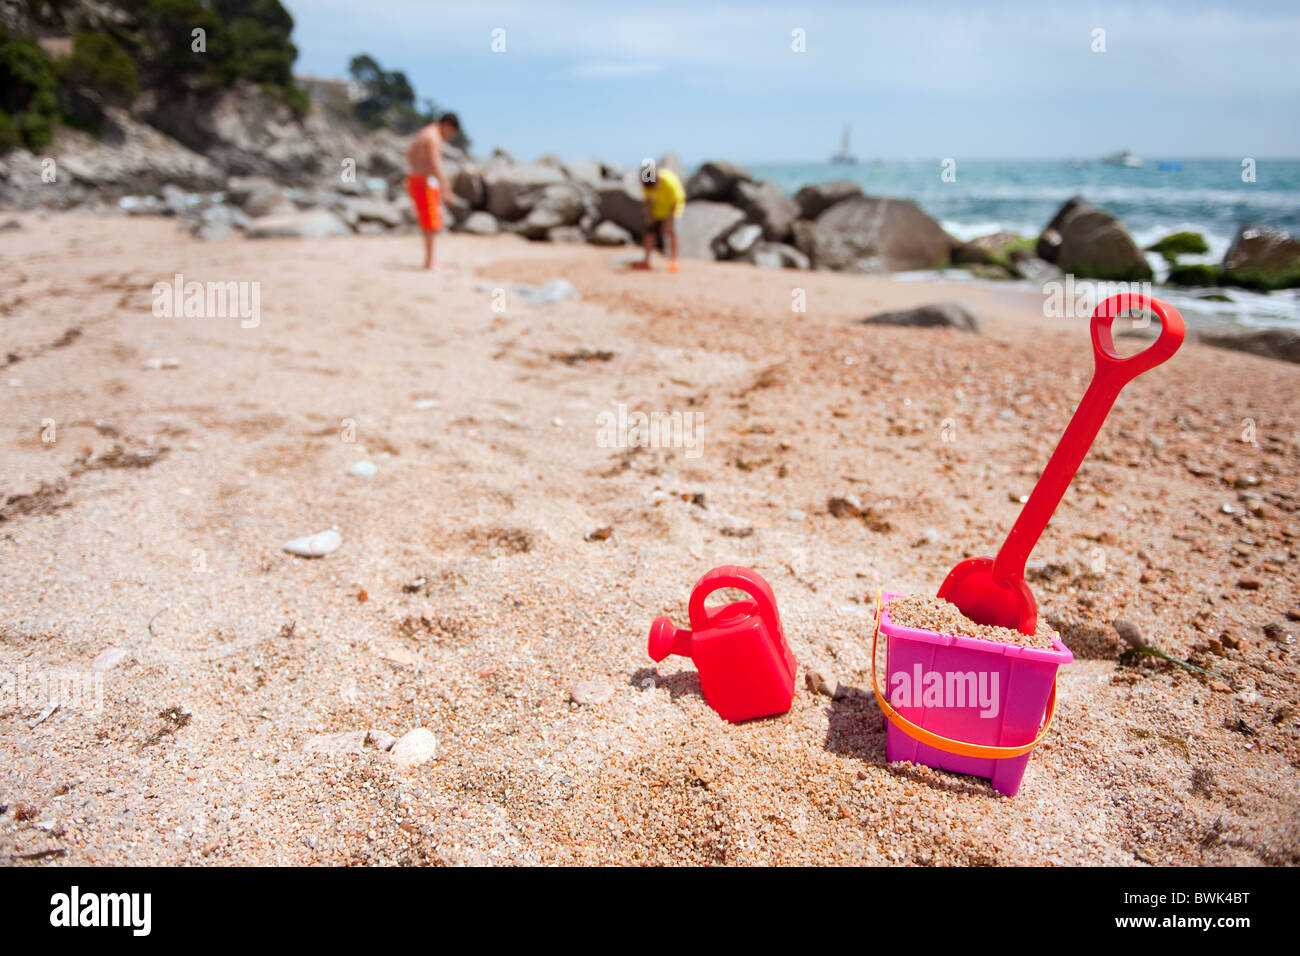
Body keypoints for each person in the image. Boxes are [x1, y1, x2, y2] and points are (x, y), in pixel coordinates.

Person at [405, 113, 461, 270]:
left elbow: (409, 154)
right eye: (451, 133)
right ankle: (430, 263)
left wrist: (416, 169)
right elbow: (435, 163)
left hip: (415, 179)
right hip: (425, 182)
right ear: (447, 126)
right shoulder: (433, 137)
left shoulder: (423, 133)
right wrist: (446, 188)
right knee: (431, 221)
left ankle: (429, 260)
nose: (448, 137)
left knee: (427, 221)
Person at [636, 165, 685, 272]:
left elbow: (675, 202)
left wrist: (669, 222)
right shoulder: (647, 182)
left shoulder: (669, 182)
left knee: (672, 232)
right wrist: (650, 216)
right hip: (657, 208)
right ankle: (646, 261)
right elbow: (647, 200)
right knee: (649, 231)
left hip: (674, 208)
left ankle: (673, 261)